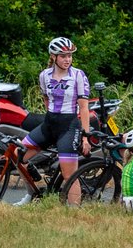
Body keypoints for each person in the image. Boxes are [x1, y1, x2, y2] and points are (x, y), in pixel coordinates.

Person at [18, 37, 91, 206]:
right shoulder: (44, 75)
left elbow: (84, 108)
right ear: (53, 56)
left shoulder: (78, 75)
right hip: (49, 124)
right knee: (18, 155)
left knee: (69, 175)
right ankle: (31, 194)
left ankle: (75, 211)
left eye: (70, 56)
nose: (67, 59)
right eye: (63, 56)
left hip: (69, 126)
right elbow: (46, 99)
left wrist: (85, 136)